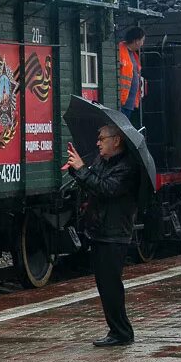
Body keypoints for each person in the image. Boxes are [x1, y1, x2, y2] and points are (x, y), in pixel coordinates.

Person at [65, 125, 141, 347]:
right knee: (104, 285)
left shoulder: (127, 167)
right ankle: (118, 330)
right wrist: (75, 168)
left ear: (116, 140)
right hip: (100, 231)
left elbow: (106, 188)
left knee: (110, 285)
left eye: (101, 139)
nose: (98, 142)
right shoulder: (103, 162)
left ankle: (121, 332)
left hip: (114, 233)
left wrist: (82, 170)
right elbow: (91, 182)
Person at [117, 27, 147, 124]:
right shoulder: (120, 50)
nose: (142, 44)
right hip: (122, 101)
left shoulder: (134, 55)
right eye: (142, 41)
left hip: (129, 102)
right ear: (136, 41)